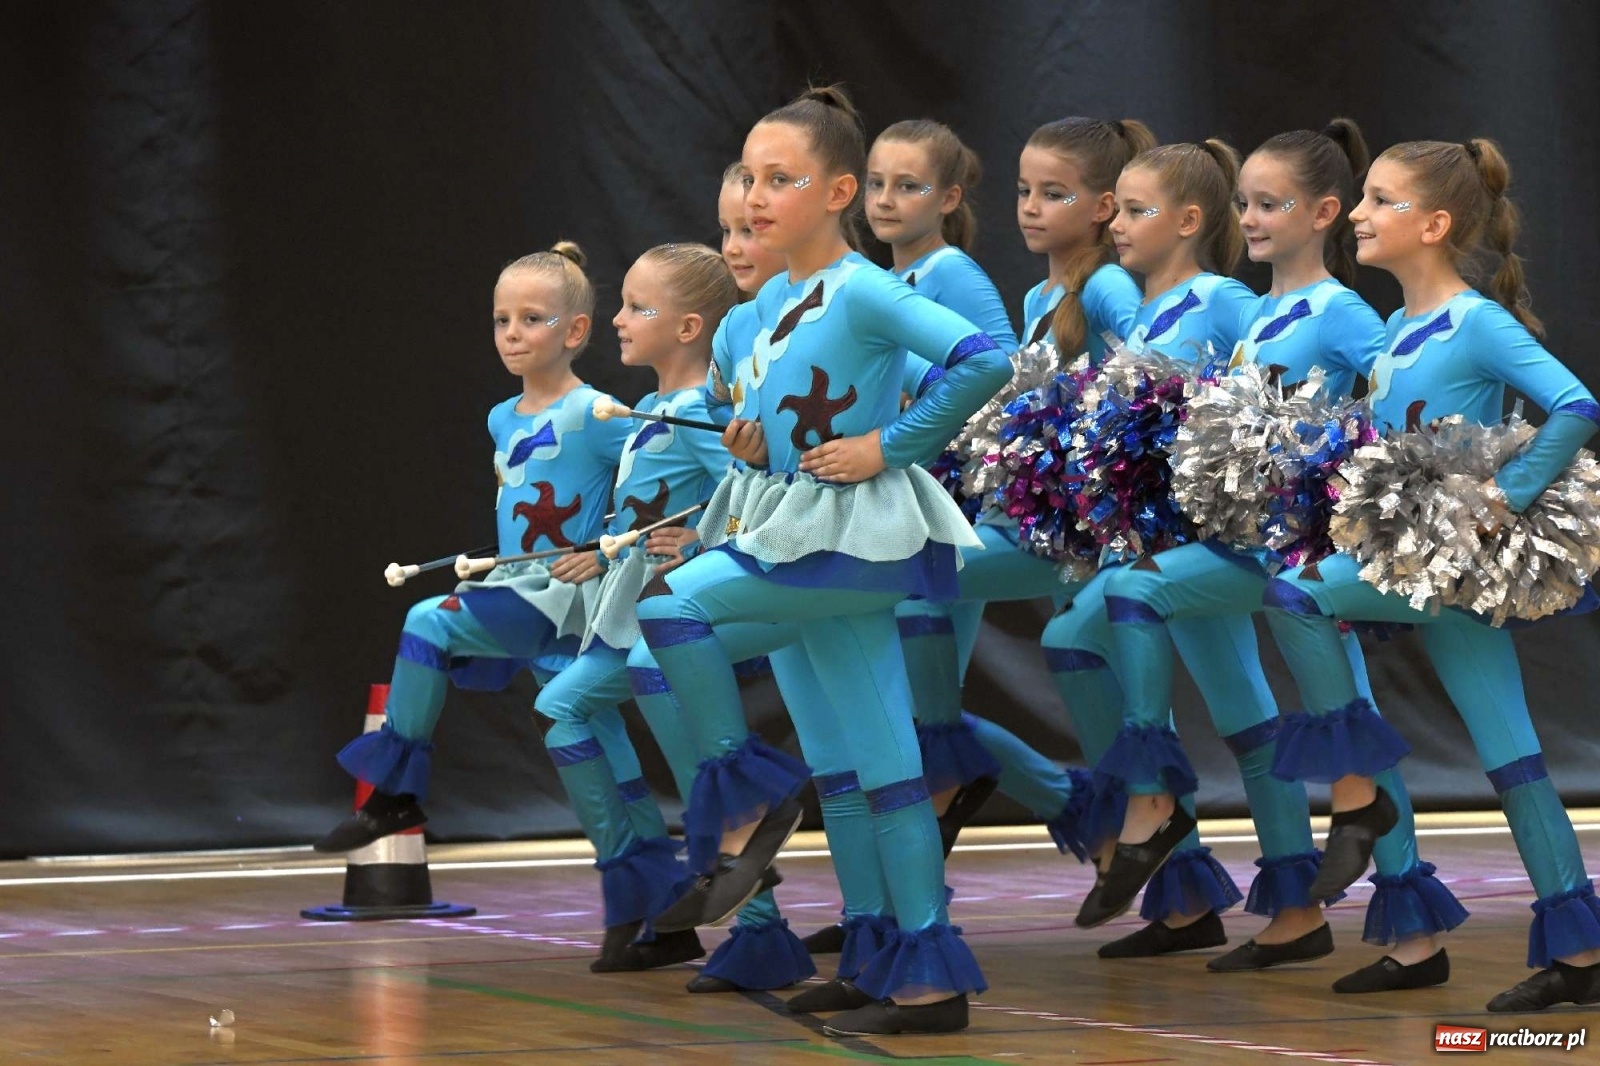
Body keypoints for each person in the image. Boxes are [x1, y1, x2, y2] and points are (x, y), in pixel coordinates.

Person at [637, 86, 1010, 1036]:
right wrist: (755, 444)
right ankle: (905, 964)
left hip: (854, 540)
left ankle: (740, 809)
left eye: (782, 179)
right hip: (795, 529)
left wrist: (891, 445)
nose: (757, 197)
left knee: (672, 610)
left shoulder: (866, 287)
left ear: (839, 190)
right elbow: (801, 412)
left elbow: (986, 360)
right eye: (751, 178)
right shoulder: (772, 310)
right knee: (869, 769)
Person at [1085, 122, 1465, 987]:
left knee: (1353, 733)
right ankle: (1269, 888)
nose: (1249, 219)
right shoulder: (1258, 315)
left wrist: (1382, 487)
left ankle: (1417, 941)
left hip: (1314, 557)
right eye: (1246, 203)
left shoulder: (1343, 313)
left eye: (1269, 205)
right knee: (1138, 594)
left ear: (1322, 213)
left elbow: (1398, 404)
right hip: (1255, 546)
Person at [1259, 138, 1600, 1012]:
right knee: (1514, 757)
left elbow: (1574, 405)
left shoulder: (1476, 320)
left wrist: (1507, 493)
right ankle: (1540, 952)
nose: (1361, 215)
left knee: (1297, 596)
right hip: (1418, 558)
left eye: (1379, 201)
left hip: (1455, 563)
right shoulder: (1399, 330)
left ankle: (1358, 790)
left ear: (1435, 224)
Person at [315, 243, 631, 852]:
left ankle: (397, 795)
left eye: (532, 319)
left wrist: (604, 549)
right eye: (501, 320)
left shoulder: (597, 412)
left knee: (427, 622)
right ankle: (644, 900)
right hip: (520, 589)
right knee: (590, 750)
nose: (512, 334)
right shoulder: (500, 418)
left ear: (577, 330)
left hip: (566, 596)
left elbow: (659, 484)